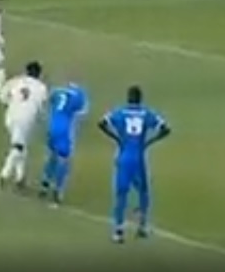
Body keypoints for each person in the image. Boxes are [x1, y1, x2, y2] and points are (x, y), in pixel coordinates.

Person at [98, 85, 171, 244]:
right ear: (140, 99)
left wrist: (117, 138)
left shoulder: (120, 112)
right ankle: (143, 226)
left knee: (121, 194)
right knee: (144, 191)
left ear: (128, 98)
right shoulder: (146, 113)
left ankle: (118, 231)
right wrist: (149, 142)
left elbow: (102, 123)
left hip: (123, 157)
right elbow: (166, 129)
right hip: (138, 158)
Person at [0, 61, 48, 191]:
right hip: (26, 119)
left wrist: (11, 103)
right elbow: (41, 107)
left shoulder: (16, 81)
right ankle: (4, 175)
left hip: (10, 116)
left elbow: (2, 96)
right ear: (39, 74)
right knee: (18, 147)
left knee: (21, 146)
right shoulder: (41, 87)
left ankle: (20, 178)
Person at [39, 81, 89, 205]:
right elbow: (83, 112)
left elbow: (47, 102)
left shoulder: (58, 91)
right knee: (64, 159)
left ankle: (45, 184)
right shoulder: (79, 95)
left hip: (52, 126)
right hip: (65, 130)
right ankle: (58, 189)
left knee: (51, 155)